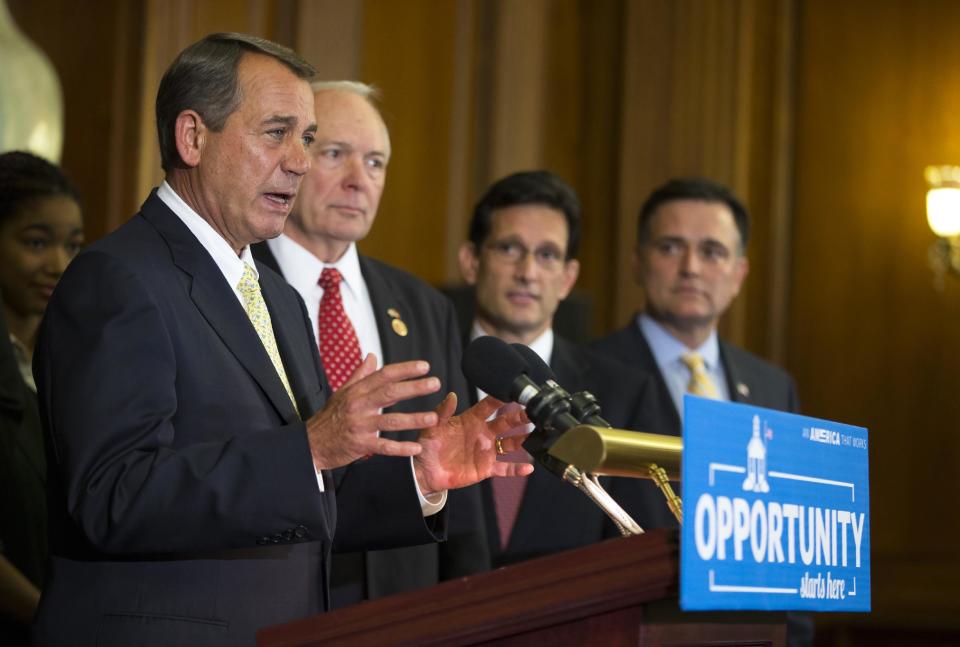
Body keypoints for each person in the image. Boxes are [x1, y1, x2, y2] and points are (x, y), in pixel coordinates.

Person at [31, 33, 529, 647]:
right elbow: (114, 495)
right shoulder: (118, 278)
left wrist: (422, 474)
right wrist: (311, 448)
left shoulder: (277, 298)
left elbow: (307, 498)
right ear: (193, 137)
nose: (298, 160)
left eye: (307, 138)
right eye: (276, 133)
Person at [252, 81, 488, 607]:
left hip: (404, 603)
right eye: (336, 154)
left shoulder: (424, 305)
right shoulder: (238, 286)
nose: (359, 181)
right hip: (278, 596)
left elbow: (461, 480)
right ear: (292, 159)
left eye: (376, 163)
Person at [591, 176, 811, 646]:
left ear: (739, 273)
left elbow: (793, 549)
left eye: (712, 251)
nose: (690, 267)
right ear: (638, 260)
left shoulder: (775, 388)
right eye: (671, 247)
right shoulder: (588, 375)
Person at [457, 170, 674, 567]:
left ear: (568, 277)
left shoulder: (624, 392)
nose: (528, 272)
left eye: (547, 255)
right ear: (471, 261)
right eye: (509, 248)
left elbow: (643, 551)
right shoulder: (424, 375)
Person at [0, 151, 83, 645]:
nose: (57, 264)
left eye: (73, 245)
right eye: (36, 242)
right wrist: (53, 622)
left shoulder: (69, 357)